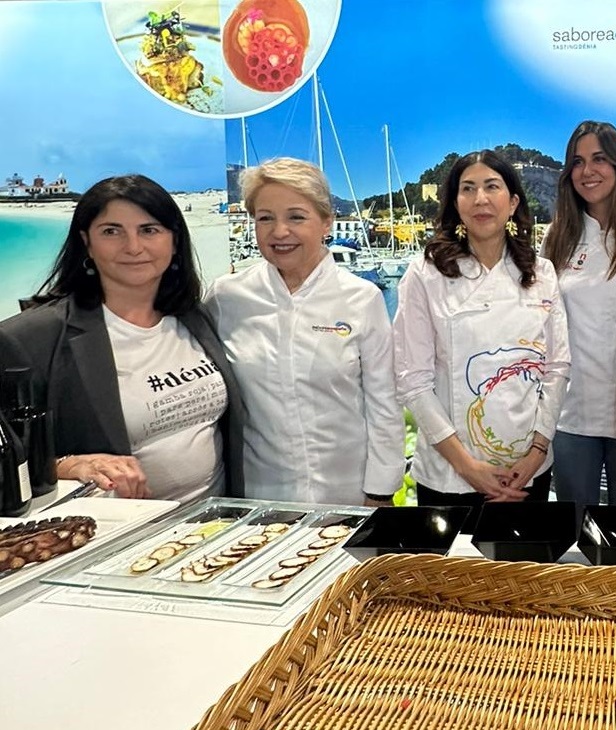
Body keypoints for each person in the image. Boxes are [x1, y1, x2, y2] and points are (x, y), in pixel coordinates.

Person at [0, 175, 244, 503]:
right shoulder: (29, 338)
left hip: (216, 528)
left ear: (174, 241)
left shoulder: (196, 316)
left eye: (149, 230)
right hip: (118, 538)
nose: (133, 247)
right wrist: (66, 465)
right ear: (86, 241)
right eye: (111, 231)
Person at [205, 158, 405, 506]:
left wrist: (381, 492)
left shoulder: (362, 298)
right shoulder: (226, 297)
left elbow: (383, 404)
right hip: (259, 499)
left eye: (296, 216)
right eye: (265, 218)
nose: (279, 231)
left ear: (326, 221)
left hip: (350, 494)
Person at [394, 150, 569, 527]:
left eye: (492, 187)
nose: (480, 199)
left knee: (520, 581)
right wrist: (468, 467)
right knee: (452, 585)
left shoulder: (541, 272)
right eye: (467, 189)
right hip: (449, 477)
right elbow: (413, 381)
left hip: (527, 473)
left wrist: (537, 452)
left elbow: (556, 368)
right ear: (455, 204)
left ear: (513, 202)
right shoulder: (425, 274)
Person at [541, 121, 616, 523]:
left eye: (598, 159)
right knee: (573, 528)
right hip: (571, 412)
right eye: (577, 162)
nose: (587, 171)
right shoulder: (556, 238)